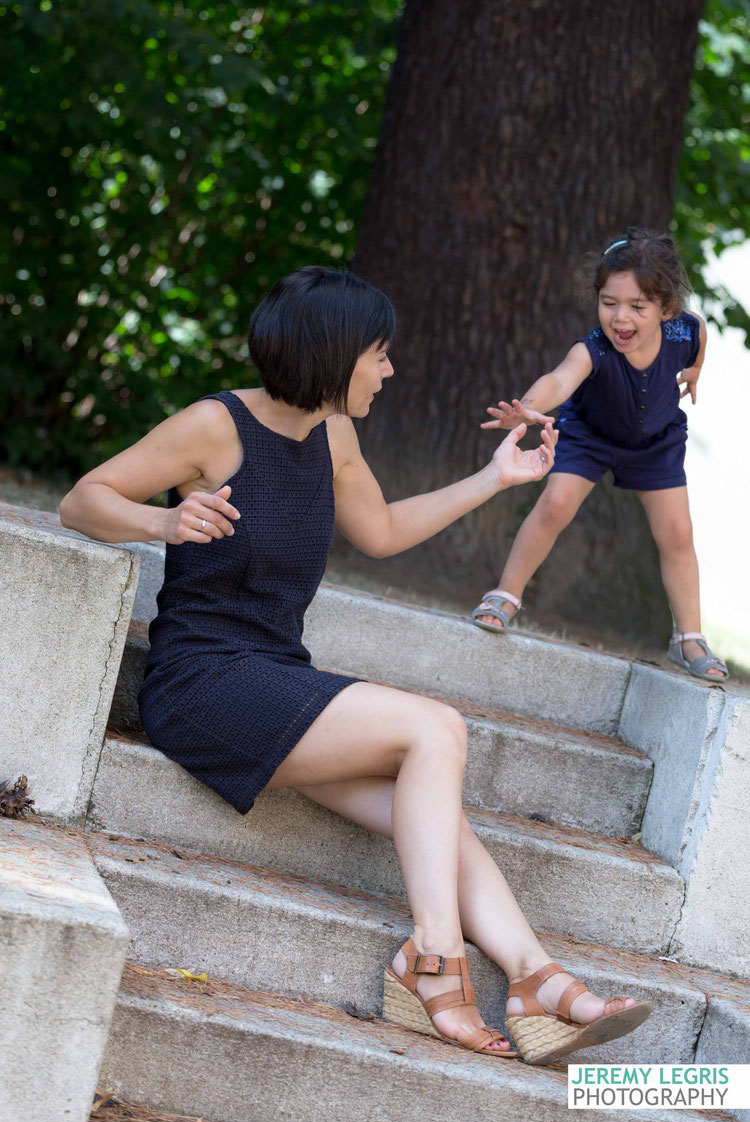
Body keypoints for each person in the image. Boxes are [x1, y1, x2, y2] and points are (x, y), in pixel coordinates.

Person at [60, 265, 651, 1066]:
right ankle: (433, 960)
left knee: (433, 809)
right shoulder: (213, 425)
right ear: (334, 353)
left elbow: (380, 529)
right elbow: (83, 500)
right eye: (379, 353)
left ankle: (536, 978)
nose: (389, 369)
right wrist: (164, 519)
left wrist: (494, 477)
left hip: (278, 678)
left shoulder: (334, 433)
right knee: (436, 729)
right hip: (202, 684)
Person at [473, 228, 728, 683]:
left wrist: (694, 371)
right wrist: (529, 407)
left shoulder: (684, 330)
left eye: (636, 307)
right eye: (609, 303)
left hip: (657, 442)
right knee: (555, 505)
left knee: (677, 532)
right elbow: (558, 381)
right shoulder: (593, 349)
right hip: (590, 435)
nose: (620, 317)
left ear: (665, 309)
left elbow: (700, 333)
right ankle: (506, 594)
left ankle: (688, 637)